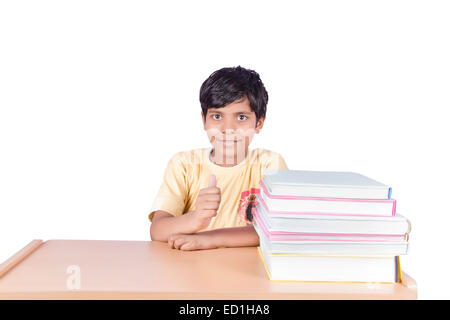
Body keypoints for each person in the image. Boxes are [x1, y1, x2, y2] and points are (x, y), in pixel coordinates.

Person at [149, 66, 288, 250]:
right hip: (191, 272)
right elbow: (157, 231)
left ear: (259, 123)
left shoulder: (269, 164)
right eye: (217, 116)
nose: (227, 129)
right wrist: (196, 218)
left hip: (248, 272)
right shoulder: (184, 164)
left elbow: (278, 228)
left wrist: (210, 239)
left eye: (241, 117)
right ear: (204, 120)